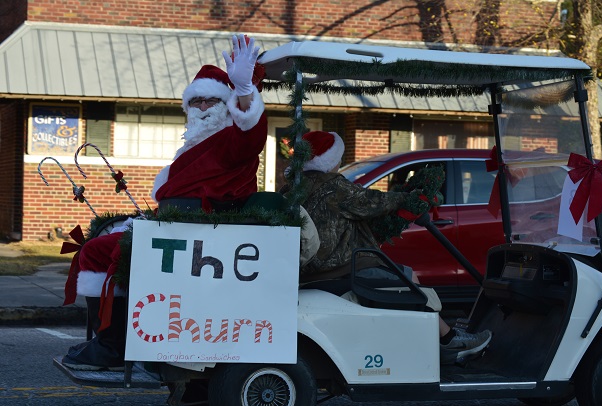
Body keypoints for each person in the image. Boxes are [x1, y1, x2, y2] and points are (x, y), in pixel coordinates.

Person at [62, 34, 268, 371]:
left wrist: (244, 91)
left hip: (207, 239)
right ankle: (109, 340)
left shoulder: (232, 142)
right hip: (175, 229)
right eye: (196, 101)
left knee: (121, 252)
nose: (202, 107)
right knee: (94, 249)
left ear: (225, 105)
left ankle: (116, 347)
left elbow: (251, 131)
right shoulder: (189, 150)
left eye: (210, 101)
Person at [291, 130, 492, 365]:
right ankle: (449, 342)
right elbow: (372, 202)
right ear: (331, 160)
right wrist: (407, 198)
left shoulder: (295, 188)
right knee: (410, 279)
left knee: (400, 275)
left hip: (314, 269)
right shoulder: (333, 187)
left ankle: (435, 339)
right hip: (341, 268)